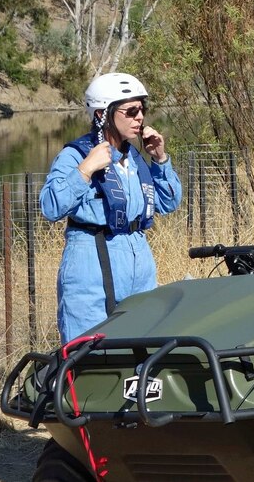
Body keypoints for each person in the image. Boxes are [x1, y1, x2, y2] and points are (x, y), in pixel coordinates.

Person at [40, 73, 182, 344]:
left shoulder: (135, 158)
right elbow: (50, 206)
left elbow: (168, 202)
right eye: (130, 111)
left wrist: (160, 160)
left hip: (139, 267)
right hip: (91, 268)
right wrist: (85, 170)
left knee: (144, 356)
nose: (139, 117)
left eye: (142, 109)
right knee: (87, 358)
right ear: (102, 114)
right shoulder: (76, 155)